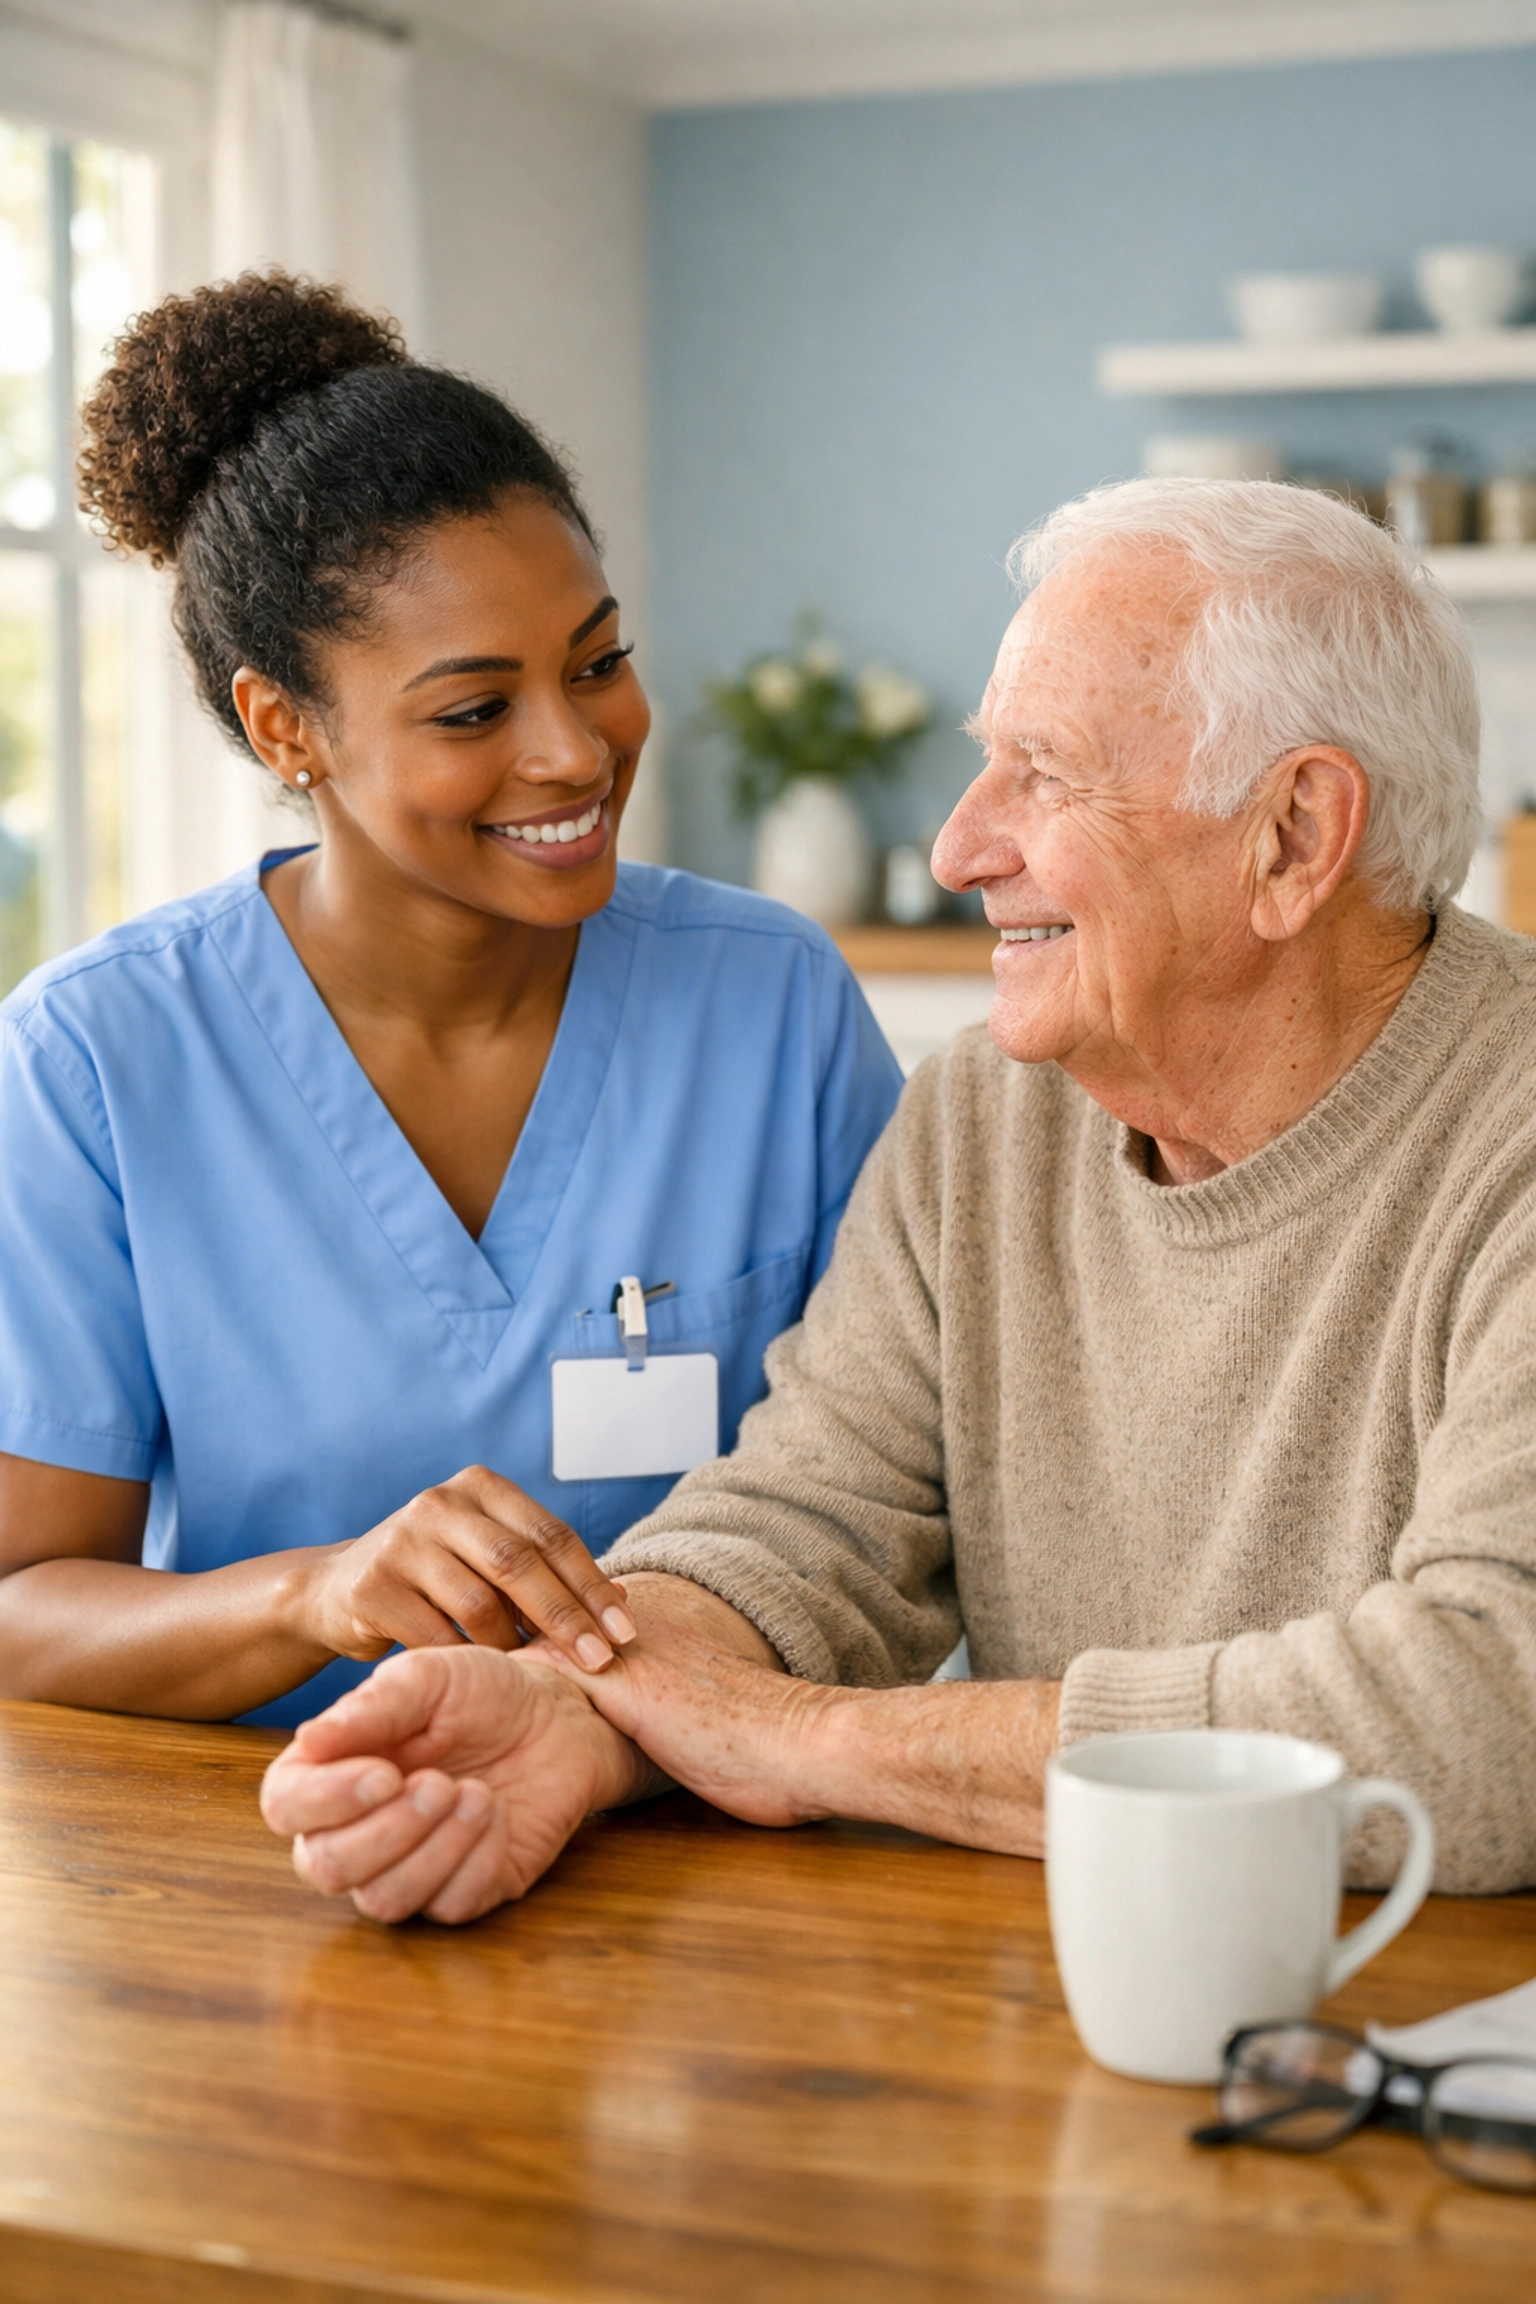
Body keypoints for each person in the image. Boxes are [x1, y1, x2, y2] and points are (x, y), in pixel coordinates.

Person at [264, 475, 1536, 1925]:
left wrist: (815, 1743)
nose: (957, 849)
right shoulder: (988, 1114)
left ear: (1297, 835)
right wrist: (572, 1710)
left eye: (1042, 775)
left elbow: (1493, 1707)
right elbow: (815, 1520)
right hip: (1058, 2007)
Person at [0, 273, 902, 1730]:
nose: (575, 752)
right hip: (271, 1856)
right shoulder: (96, 1060)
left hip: (697, 1844)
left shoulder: (772, 1005)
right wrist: (315, 1593)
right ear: (283, 727)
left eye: (597, 663)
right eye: (475, 711)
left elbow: (895, 1497)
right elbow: (24, 1606)